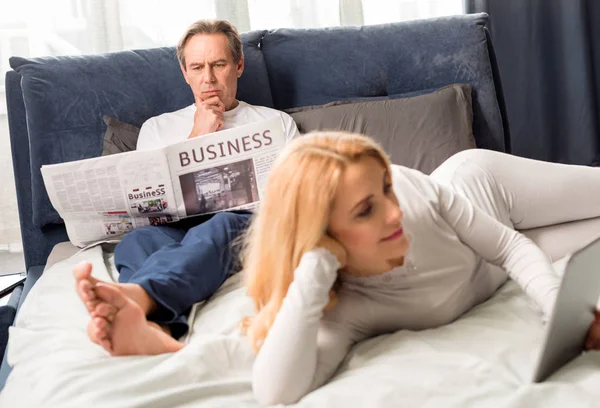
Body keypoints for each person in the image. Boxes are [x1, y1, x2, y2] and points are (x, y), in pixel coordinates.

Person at [241, 132, 600, 405]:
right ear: (321, 237)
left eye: (386, 188)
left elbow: (510, 247)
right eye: (366, 211)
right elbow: (276, 392)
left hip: (492, 192)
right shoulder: (347, 311)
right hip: (498, 269)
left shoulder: (413, 190)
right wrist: (314, 267)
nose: (395, 212)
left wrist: (564, 315)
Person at [73, 19, 299, 352]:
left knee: (221, 226)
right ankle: (157, 325)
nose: (208, 78)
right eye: (197, 67)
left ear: (238, 66)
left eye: (218, 64)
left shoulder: (276, 123)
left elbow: (300, 192)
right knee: (136, 243)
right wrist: (198, 136)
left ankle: (139, 307)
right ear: (185, 73)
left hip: (244, 224)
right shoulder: (157, 129)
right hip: (174, 227)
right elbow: (148, 204)